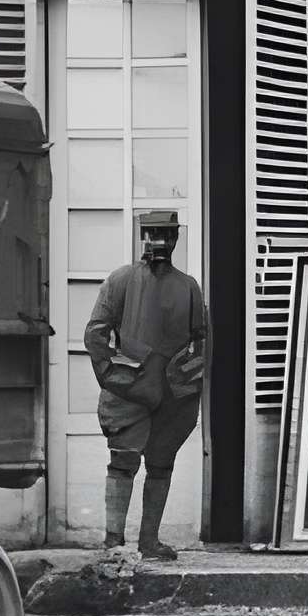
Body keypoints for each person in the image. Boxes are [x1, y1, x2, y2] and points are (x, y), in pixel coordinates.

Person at [84, 208, 209, 562]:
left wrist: (186, 380)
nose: (160, 241)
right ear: (143, 236)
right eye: (153, 233)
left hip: (173, 397)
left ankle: (149, 541)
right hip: (129, 393)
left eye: (167, 234)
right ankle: (113, 542)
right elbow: (95, 335)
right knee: (122, 463)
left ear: (176, 238)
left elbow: (200, 338)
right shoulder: (120, 280)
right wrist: (116, 377)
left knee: (161, 465)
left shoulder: (188, 286)